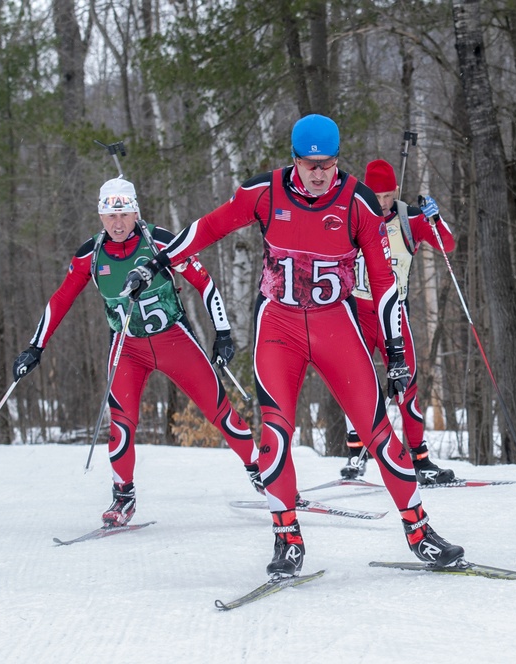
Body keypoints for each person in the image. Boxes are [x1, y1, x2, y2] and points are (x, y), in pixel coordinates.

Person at [121, 114, 465, 576]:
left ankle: (419, 532)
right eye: (310, 164)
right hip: (279, 326)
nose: (320, 173)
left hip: (335, 326)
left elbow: (384, 285)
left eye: (328, 164)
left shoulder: (358, 202)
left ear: (338, 161)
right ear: (295, 160)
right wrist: (156, 261)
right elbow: (208, 228)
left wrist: (398, 354)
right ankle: (287, 537)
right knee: (275, 434)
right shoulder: (264, 192)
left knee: (378, 433)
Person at [12, 177, 261, 527]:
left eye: (124, 214)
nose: (117, 224)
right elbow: (61, 299)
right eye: (110, 216)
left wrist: (222, 334)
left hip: (173, 341)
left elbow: (206, 284)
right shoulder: (91, 254)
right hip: (127, 348)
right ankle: (123, 496)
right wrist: (34, 348)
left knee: (220, 411)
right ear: (100, 216)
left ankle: (261, 471)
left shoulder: (159, 242)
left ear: (135, 212)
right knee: (122, 424)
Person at [338, 158, 457, 484]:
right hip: (358, 311)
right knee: (353, 381)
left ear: (396, 191)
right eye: (376, 196)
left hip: (394, 312)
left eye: (388, 196)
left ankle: (421, 460)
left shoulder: (408, 219)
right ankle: (355, 455)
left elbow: (447, 244)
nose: (382, 203)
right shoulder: (352, 214)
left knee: (408, 384)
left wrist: (436, 219)